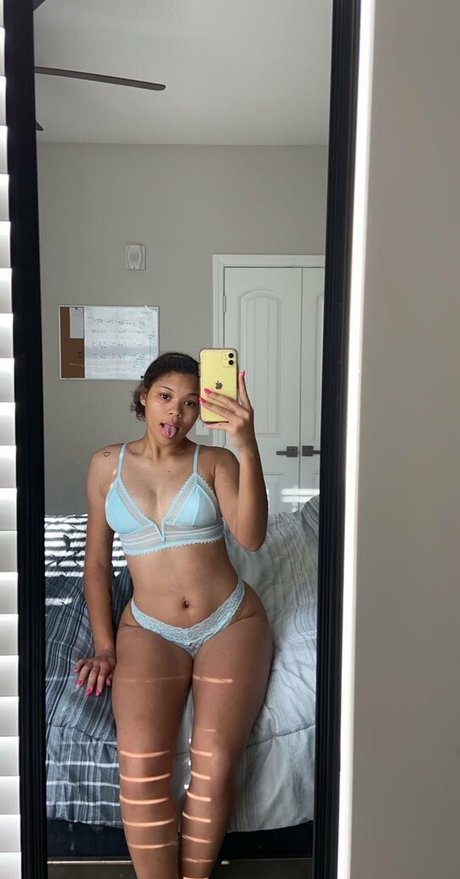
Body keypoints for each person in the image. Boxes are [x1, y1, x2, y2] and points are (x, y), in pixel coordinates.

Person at [73, 351, 273, 879]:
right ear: (143, 397)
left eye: (189, 403)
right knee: (139, 770)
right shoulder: (105, 466)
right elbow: (96, 564)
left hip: (229, 622)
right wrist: (105, 646)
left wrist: (246, 443)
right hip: (149, 629)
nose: (176, 413)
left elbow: (252, 537)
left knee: (215, 762)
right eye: (165, 397)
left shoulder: (215, 461)